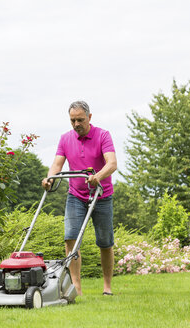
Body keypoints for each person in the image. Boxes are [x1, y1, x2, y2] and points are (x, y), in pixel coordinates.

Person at [41, 100, 117, 296]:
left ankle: (107, 286)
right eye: (72, 120)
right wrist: (49, 178)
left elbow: (112, 163)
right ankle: (76, 288)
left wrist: (97, 177)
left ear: (89, 118)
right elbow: (57, 165)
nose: (76, 124)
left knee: (105, 242)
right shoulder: (65, 139)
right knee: (71, 238)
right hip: (76, 195)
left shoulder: (103, 135)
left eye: (80, 120)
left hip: (102, 195)